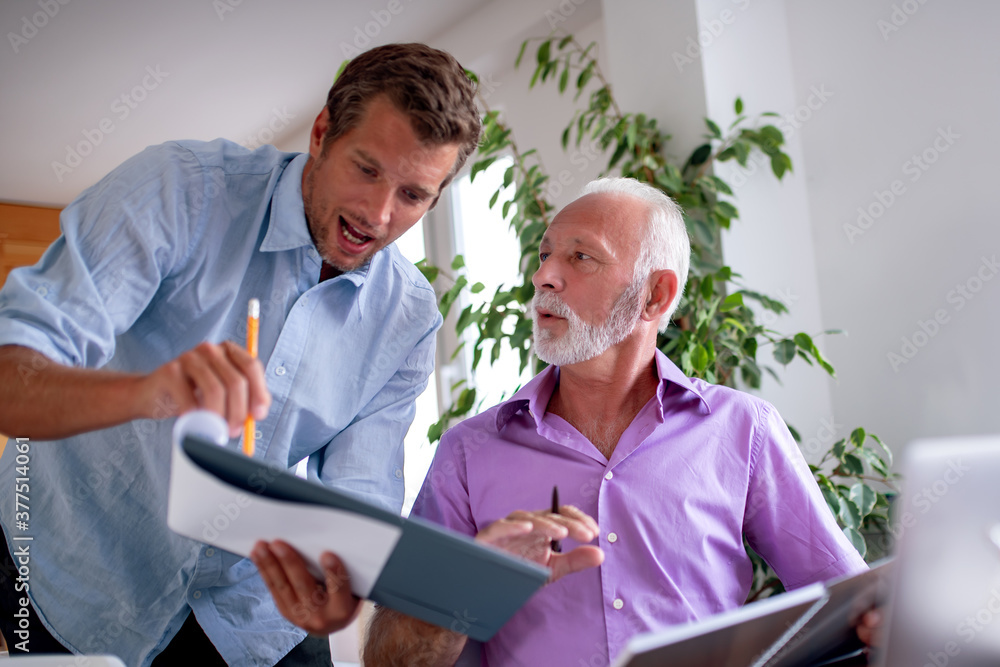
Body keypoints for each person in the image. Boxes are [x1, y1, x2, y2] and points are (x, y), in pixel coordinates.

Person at [0, 42, 480, 666]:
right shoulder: (179, 191)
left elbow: (359, 502)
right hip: (69, 572)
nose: (379, 214)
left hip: (248, 623)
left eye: (413, 195)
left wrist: (339, 590)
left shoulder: (408, 319)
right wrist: (147, 393)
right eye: (366, 169)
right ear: (321, 133)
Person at [357, 177, 871, 666]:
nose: (543, 277)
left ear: (655, 296)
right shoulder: (467, 452)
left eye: (581, 257)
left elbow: (857, 611)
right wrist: (469, 582)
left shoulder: (744, 429)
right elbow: (390, 658)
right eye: (544, 255)